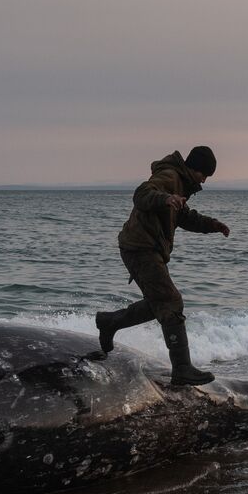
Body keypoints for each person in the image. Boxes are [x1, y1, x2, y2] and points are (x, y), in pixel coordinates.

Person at [94, 146, 229, 385]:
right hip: (140, 248)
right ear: (193, 167)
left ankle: (110, 321)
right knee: (170, 301)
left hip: (145, 248)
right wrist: (166, 198)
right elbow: (142, 194)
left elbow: (184, 216)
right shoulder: (170, 176)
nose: (204, 180)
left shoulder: (180, 183)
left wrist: (212, 224)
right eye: (204, 174)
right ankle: (182, 368)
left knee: (159, 303)